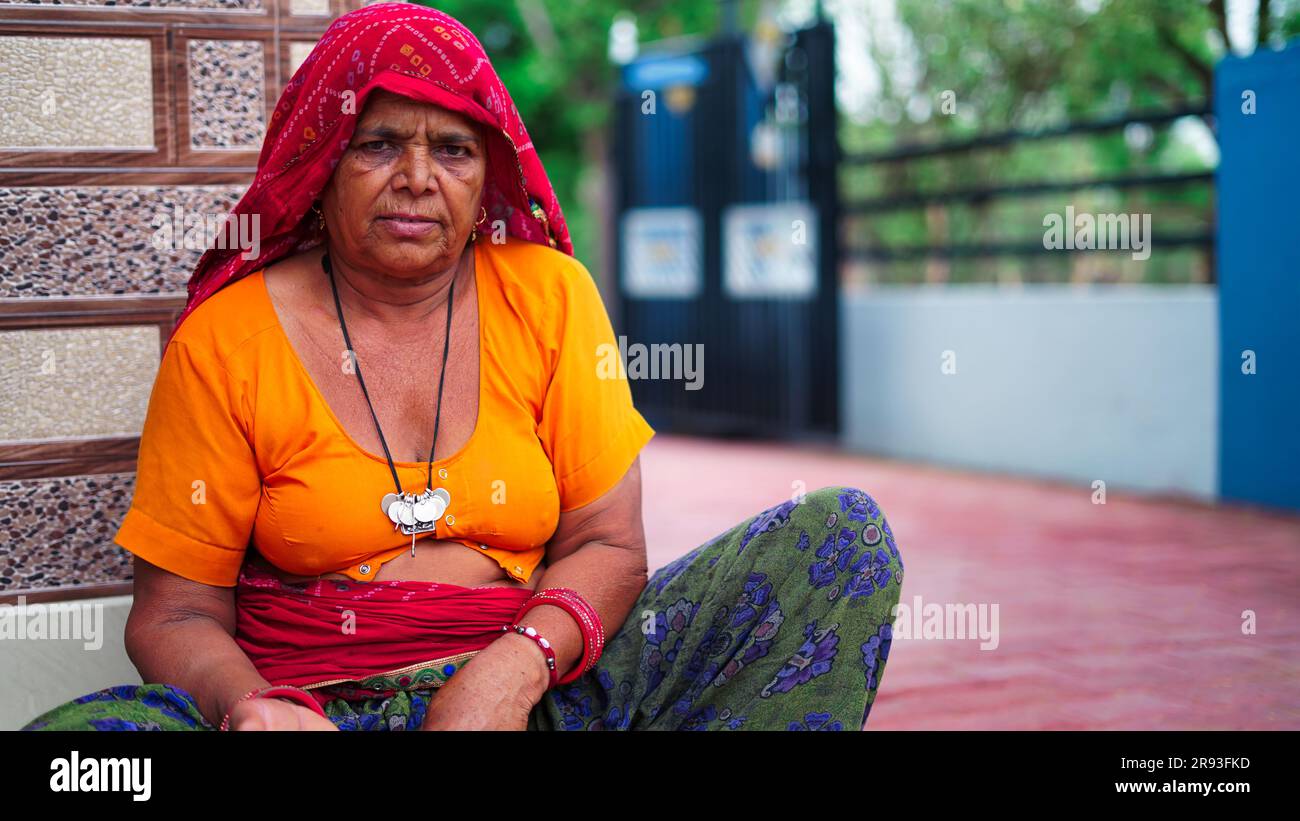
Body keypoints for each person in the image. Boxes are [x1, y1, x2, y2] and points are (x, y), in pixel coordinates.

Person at [20, 3, 904, 732]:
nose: (416, 177)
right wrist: (253, 707)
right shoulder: (227, 338)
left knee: (837, 539)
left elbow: (608, 544)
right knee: (83, 749)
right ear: (320, 167)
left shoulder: (549, 295)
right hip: (318, 709)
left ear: (489, 177)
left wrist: (511, 673)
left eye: (453, 149)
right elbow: (174, 615)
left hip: (538, 693)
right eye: (377, 144)